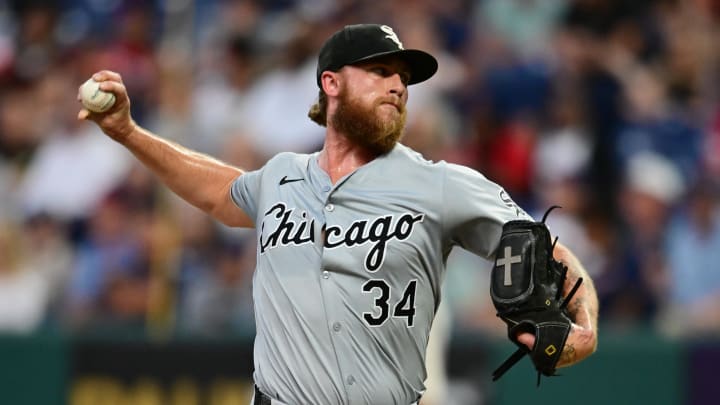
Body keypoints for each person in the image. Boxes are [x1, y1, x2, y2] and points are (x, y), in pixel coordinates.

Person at [78, 23, 598, 405]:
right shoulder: (281, 177)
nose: (397, 85)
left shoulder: (439, 185)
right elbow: (219, 191)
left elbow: (546, 247)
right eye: (379, 71)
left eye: (402, 78)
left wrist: (586, 327)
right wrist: (128, 132)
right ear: (331, 84)